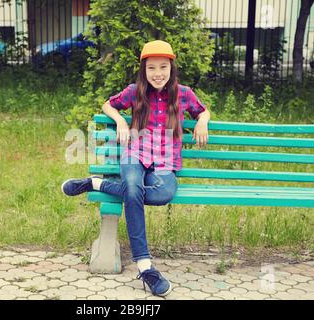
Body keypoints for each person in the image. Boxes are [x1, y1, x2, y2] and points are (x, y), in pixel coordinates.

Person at [62, 40, 210, 297]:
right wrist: (120, 120)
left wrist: (202, 122)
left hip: (165, 161)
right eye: (151, 68)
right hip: (136, 154)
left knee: (163, 194)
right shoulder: (135, 90)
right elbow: (108, 104)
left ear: (171, 68)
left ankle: (95, 184)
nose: (158, 73)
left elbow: (202, 111)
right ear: (143, 70)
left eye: (163, 67)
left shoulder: (184, 93)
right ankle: (145, 266)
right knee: (132, 188)